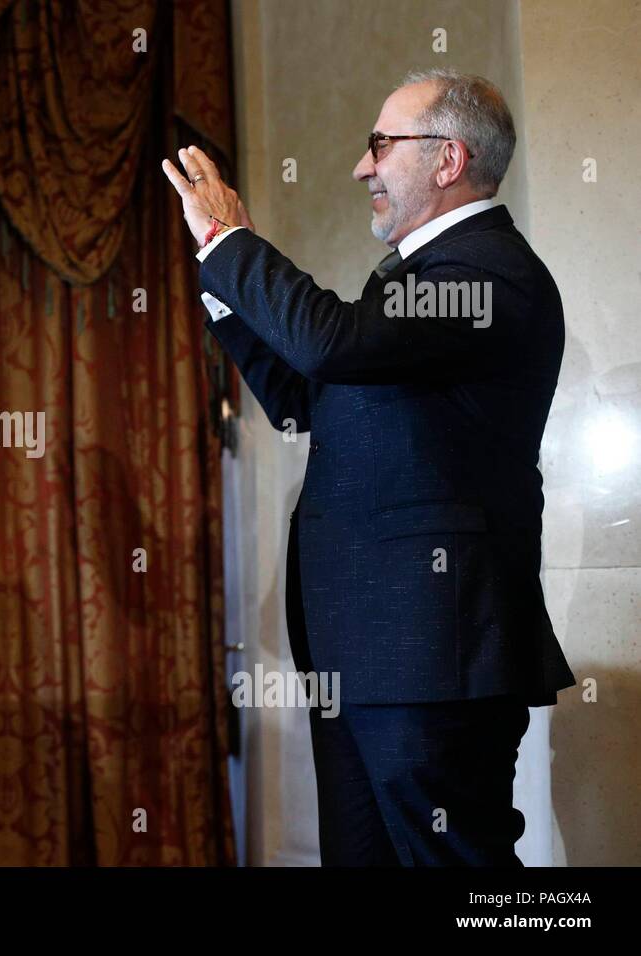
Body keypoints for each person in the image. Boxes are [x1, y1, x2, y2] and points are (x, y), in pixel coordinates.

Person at [163, 69, 575, 865]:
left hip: (432, 655)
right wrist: (225, 290)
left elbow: (333, 343)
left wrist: (230, 244)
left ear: (448, 160)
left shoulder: (486, 275)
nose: (362, 167)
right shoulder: (411, 282)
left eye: (381, 144)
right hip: (363, 654)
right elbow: (302, 396)